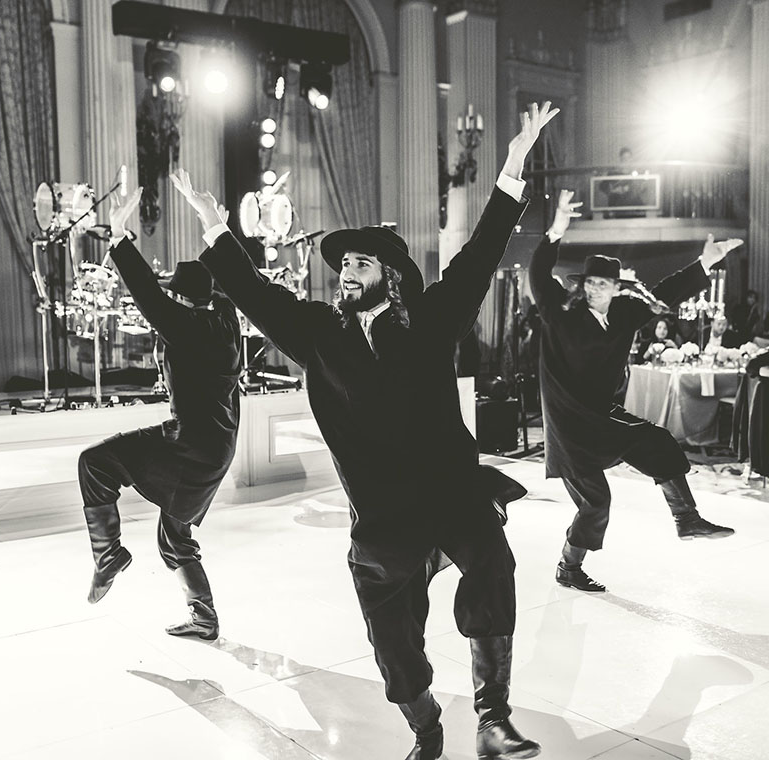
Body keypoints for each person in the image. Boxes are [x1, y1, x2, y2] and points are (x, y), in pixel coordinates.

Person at [170, 101, 559, 760]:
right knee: (390, 640)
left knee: (492, 565)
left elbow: (479, 256)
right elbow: (258, 296)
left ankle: (493, 717)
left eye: (359, 264)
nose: (345, 272)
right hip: (380, 516)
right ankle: (426, 725)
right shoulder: (320, 333)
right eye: (343, 264)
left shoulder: (431, 320)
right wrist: (214, 228)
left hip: (452, 491)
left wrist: (512, 173)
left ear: (389, 277)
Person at [530, 193, 741, 593]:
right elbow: (539, 277)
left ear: (615, 288)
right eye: (589, 282)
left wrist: (704, 264)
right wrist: (556, 230)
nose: (594, 289)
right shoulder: (561, 312)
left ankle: (687, 519)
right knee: (596, 503)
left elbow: (667, 291)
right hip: (569, 423)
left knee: (658, 440)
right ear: (583, 285)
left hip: (600, 414)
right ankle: (567, 567)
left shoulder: (625, 313)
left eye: (603, 284)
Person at [77, 186, 241, 641]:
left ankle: (108, 555)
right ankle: (204, 618)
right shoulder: (226, 320)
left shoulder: (184, 326)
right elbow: (226, 285)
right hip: (220, 445)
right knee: (174, 536)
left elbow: (147, 293)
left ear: (180, 301)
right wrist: (216, 226)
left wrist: (118, 235)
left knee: (94, 462)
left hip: (189, 443)